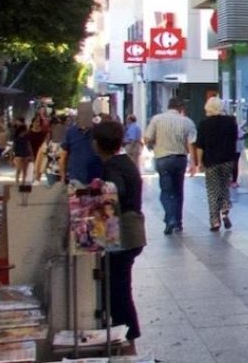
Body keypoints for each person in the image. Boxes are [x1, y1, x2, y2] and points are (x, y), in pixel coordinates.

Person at [92, 120, 144, 351]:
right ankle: (124, 340)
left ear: (97, 144)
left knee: (118, 290)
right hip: (132, 231)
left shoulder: (112, 166)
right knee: (119, 287)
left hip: (123, 233)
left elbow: (116, 191)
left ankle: (127, 341)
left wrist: (100, 197)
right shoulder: (124, 161)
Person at [144, 97, 196, 235]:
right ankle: (178, 221)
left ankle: (170, 218)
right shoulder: (187, 122)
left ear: (168, 106)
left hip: (162, 158)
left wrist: (154, 144)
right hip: (180, 159)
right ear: (181, 108)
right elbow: (191, 143)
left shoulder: (157, 119)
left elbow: (147, 138)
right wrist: (193, 163)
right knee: (178, 191)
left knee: (166, 191)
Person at [194, 97, 238, 232]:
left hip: (211, 161)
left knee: (213, 190)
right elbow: (235, 139)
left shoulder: (204, 124)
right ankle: (224, 209)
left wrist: (199, 162)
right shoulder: (230, 122)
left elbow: (200, 146)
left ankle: (215, 221)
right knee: (224, 186)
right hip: (227, 160)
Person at [61, 115, 103, 186]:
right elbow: (63, 156)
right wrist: (63, 177)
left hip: (96, 178)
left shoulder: (98, 131)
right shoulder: (70, 132)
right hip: (76, 177)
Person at [11, 117, 34, 186]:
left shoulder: (26, 137)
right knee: (18, 169)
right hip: (18, 154)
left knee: (25, 170)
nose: (26, 131)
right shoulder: (16, 138)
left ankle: (23, 182)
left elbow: (29, 145)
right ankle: (17, 182)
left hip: (25, 154)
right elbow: (13, 147)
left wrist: (31, 154)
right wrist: (11, 156)